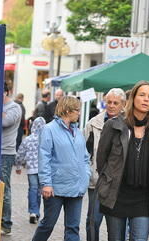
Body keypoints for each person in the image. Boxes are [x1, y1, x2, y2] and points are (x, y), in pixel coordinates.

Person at [95, 81, 149, 241]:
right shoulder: (114, 125)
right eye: (142, 95)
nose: (146, 99)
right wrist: (109, 181)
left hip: (143, 198)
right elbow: (101, 159)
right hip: (117, 195)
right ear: (133, 98)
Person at [32, 96, 91, 241]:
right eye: (77, 110)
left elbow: (85, 157)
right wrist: (46, 183)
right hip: (55, 187)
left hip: (76, 187)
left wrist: (85, 176)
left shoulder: (78, 131)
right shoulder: (49, 129)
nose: (79, 113)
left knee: (73, 228)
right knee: (48, 224)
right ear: (67, 110)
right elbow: (44, 157)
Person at [83, 88, 126, 241]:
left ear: (123, 105)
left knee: (115, 226)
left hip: (119, 184)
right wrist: (88, 171)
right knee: (93, 221)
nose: (112, 105)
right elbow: (84, 152)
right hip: (97, 181)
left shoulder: (129, 125)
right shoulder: (93, 124)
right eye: (109, 102)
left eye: (116, 103)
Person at [15, 117, 46, 224]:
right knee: (39, 191)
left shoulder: (28, 139)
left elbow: (20, 153)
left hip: (31, 169)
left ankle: (33, 211)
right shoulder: (46, 139)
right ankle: (36, 212)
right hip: (43, 169)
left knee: (33, 189)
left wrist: (18, 166)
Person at [1, 83, 22, 235]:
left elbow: (4, 122)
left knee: (4, 188)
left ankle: (6, 223)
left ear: (5, 92)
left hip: (6, 153)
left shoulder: (14, 108)